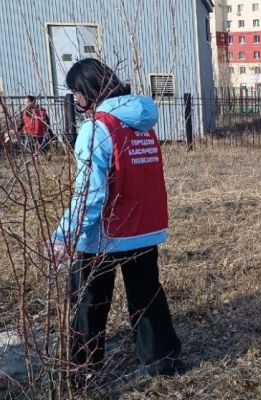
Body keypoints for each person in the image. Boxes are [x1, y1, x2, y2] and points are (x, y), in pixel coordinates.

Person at [49, 59, 182, 381]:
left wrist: (66, 235)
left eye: (76, 93)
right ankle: (162, 362)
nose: (76, 100)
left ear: (88, 91)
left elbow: (90, 193)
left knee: (89, 302)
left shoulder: (97, 128)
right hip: (144, 227)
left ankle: (83, 370)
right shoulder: (142, 125)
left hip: (104, 233)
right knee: (147, 296)